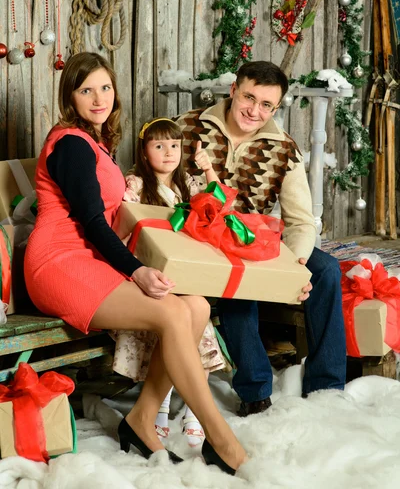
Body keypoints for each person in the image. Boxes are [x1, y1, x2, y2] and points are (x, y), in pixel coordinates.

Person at [24, 52, 247, 474]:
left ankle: (142, 419)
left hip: (90, 256)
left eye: (105, 87)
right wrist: (136, 269)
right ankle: (223, 439)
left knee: (195, 305)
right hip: (59, 260)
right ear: (70, 96)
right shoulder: (71, 142)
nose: (98, 98)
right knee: (170, 312)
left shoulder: (95, 142)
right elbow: (91, 221)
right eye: (85, 89)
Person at [176, 60, 347, 416]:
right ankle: (255, 391)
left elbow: (301, 221)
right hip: (200, 240)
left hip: (256, 239)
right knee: (240, 283)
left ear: (277, 106)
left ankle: (327, 386)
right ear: (234, 88)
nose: (255, 110)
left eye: (266, 104)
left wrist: (297, 265)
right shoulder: (188, 127)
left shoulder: (284, 148)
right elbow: (153, 179)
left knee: (327, 269)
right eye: (249, 98)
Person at [111, 117, 228, 447]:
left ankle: (192, 407)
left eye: (174, 146)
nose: (168, 153)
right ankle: (160, 406)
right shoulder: (134, 185)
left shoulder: (187, 186)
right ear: (144, 151)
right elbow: (125, 225)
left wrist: (208, 171)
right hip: (149, 275)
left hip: (184, 275)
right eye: (158, 145)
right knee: (185, 313)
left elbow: (218, 209)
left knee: (197, 308)